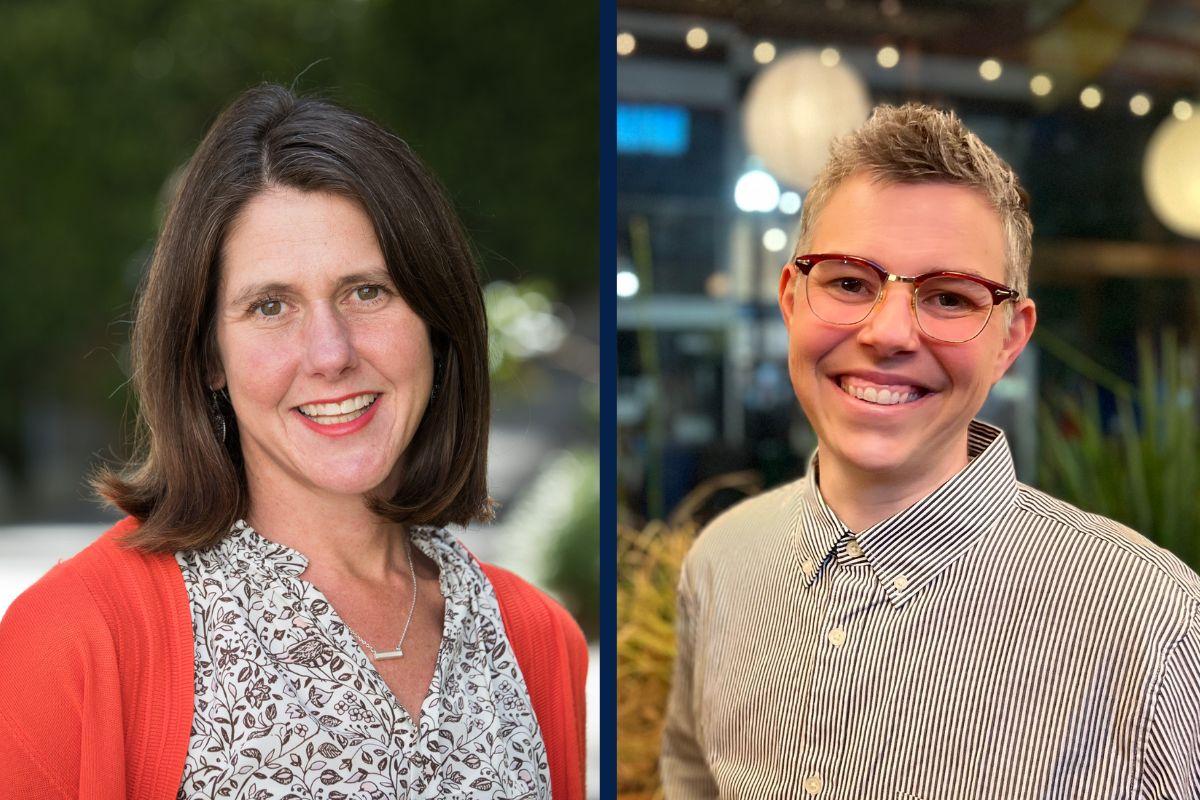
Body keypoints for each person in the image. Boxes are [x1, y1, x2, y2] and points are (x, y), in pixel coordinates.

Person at [0, 84, 587, 799]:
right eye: (270, 306)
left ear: (435, 321)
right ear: (208, 355)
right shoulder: (74, 640)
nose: (330, 353)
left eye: (367, 291)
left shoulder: (537, 641)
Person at [660, 103, 1200, 798]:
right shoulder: (721, 563)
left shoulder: (1156, 630)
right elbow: (688, 776)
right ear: (792, 299)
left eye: (948, 298)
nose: (889, 333)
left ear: (1010, 337)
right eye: (850, 282)